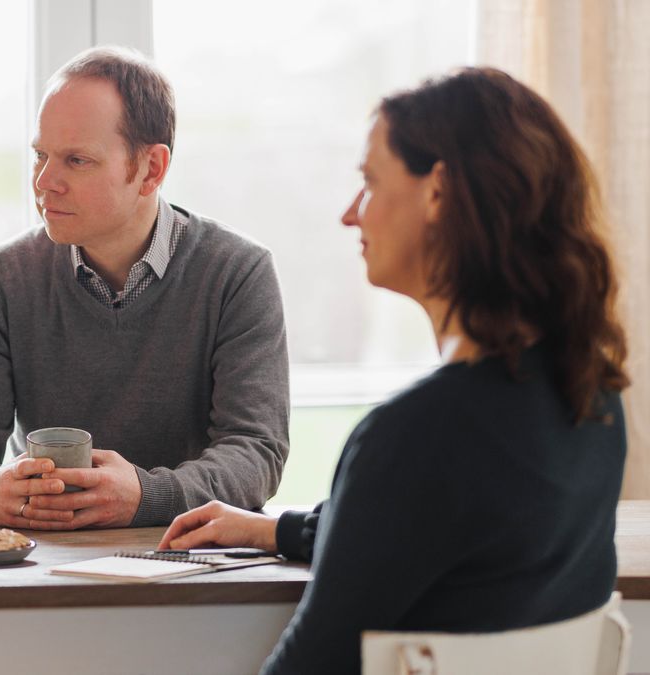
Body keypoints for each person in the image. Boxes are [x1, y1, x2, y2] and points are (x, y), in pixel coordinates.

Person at [159, 67, 629, 674]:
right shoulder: (591, 396)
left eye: (370, 183)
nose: (351, 215)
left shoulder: (413, 436)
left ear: (439, 192)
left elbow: (309, 664)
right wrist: (271, 531)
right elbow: (431, 523)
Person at [0, 46, 290, 531]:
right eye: (40, 155)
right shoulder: (5, 277)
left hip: (186, 565)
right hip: (39, 567)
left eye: (77, 160)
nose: (45, 182)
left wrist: (148, 495)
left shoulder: (237, 273)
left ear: (151, 169)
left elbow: (256, 451)